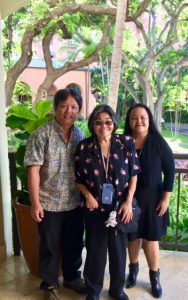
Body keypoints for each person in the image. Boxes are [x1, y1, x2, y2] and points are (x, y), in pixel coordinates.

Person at [24, 88, 86, 300]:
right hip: (49, 202)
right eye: (64, 106)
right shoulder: (40, 135)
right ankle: (49, 283)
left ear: (79, 110)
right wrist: (35, 203)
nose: (69, 111)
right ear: (56, 107)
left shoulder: (80, 135)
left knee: (74, 242)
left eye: (74, 107)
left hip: (74, 201)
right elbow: (33, 171)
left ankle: (71, 277)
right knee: (49, 246)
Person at [74, 104, 140, 300]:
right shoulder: (84, 147)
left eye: (108, 122)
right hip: (94, 206)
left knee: (118, 249)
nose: (104, 126)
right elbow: (77, 179)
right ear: (92, 125)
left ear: (114, 123)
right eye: (98, 122)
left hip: (120, 206)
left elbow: (134, 174)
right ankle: (93, 290)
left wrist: (128, 202)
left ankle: (117, 289)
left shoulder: (126, 142)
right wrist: (87, 195)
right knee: (96, 249)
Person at [124, 104, 175, 298]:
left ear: (149, 120)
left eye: (143, 117)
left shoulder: (158, 142)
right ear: (129, 122)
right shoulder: (124, 142)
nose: (139, 121)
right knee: (133, 237)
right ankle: (133, 271)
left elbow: (170, 171)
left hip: (154, 200)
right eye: (134, 118)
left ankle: (155, 277)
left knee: (151, 239)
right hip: (130, 201)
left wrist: (166, 199)